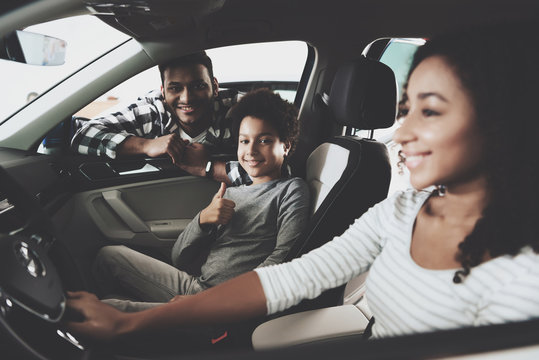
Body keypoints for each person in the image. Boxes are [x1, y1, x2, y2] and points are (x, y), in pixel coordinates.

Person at [66, 22, 539, 343]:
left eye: (430, 110)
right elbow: (292, 276)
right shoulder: (402, 211)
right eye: (404, 110)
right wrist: (130, 326)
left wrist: (134, 323)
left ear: (501, 121)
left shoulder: (523, 280)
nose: (404, 133)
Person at [90, 88, 310, 313]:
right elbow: (179, 258)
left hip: (225, 306)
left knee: (105, 309)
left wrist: (211, 301)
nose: (251, 150)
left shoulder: (291, 190)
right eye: (244, 141)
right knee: (108, 256)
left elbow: (283, 259)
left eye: (264, 140)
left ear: (286, 145)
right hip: (198, 287)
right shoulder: (232, 192)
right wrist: (203, 220)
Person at [71, 51, 250, 186]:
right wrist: (145, 145)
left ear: (215, 87)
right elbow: (83, 135)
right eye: (175, 88)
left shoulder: (241, 109)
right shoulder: (152, 112)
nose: (186, 98)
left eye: (198, 85)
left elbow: (276, 165)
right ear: (163, 92)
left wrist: (209, 166)